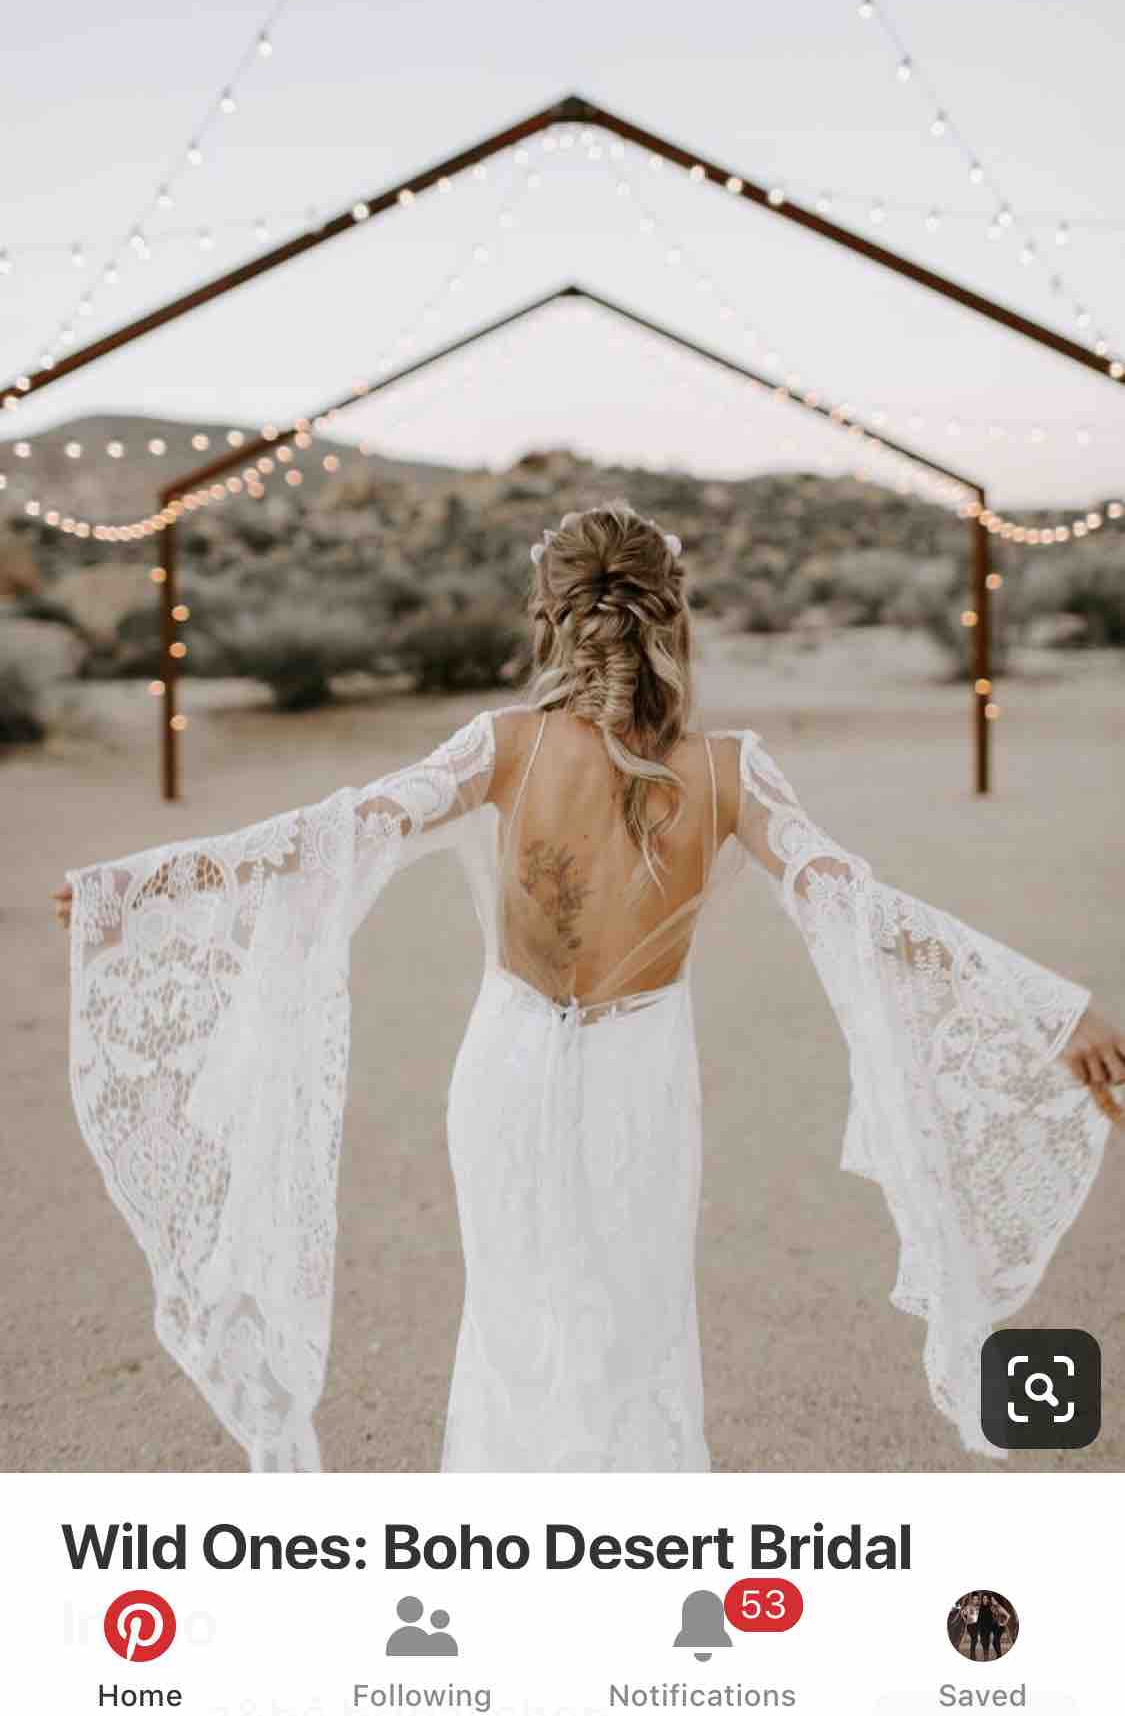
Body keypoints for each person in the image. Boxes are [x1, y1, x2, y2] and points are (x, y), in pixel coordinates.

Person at [54, 504, 1124, 1473]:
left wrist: (139, 890)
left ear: (548, 617)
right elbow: (860, 908)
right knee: (635, 1331)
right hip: (639, 1074)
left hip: (506, 1069)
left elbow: (326, 839)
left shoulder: (500, 749)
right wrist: (1045, 1007)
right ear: (673, 616)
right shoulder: (732, 773)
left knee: (513, 1322)